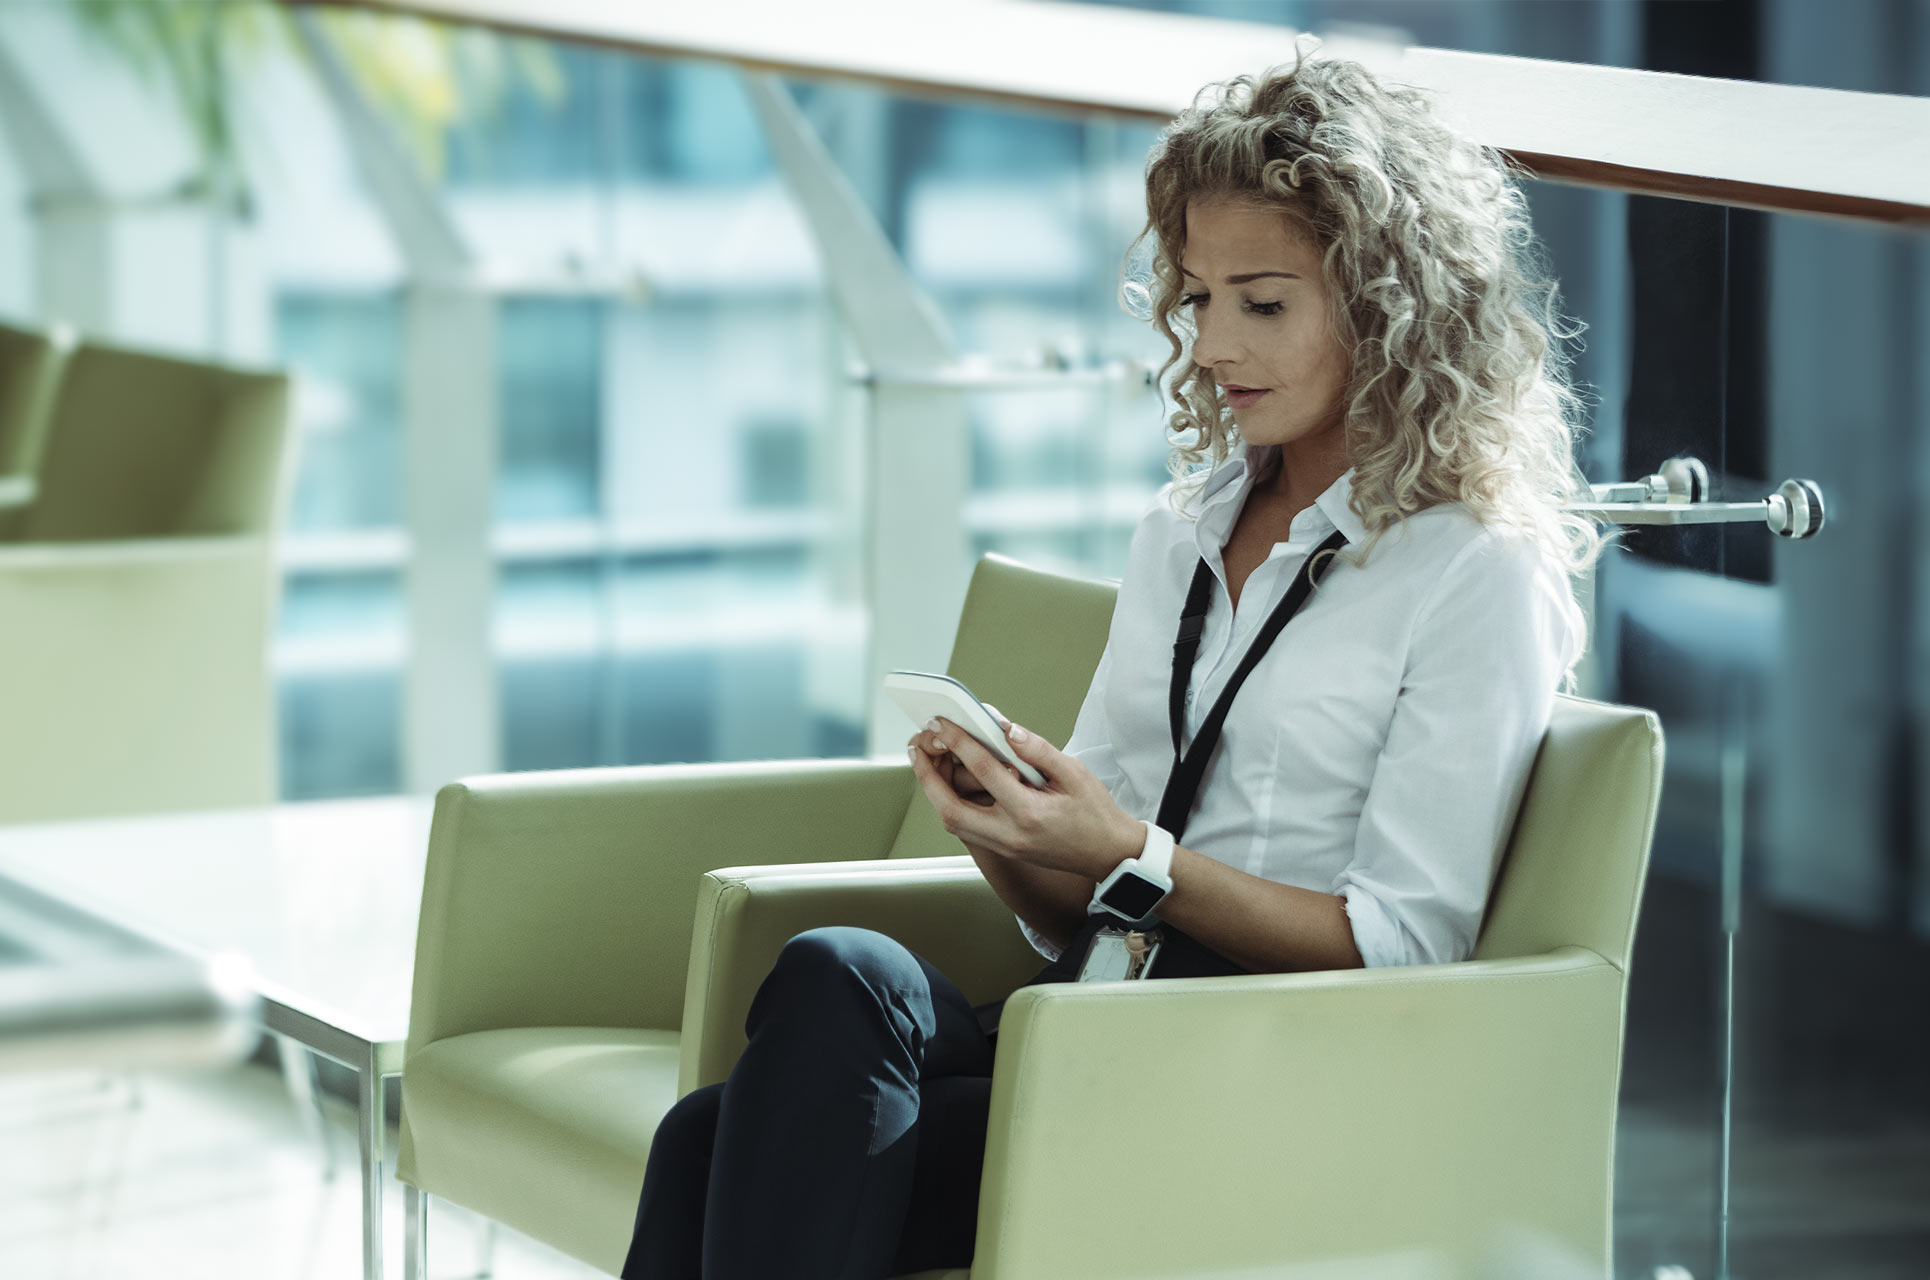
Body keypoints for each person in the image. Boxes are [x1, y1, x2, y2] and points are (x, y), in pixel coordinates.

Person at [620, 49, 1604, 1280]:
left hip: (1249, 1071)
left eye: (1262, 303)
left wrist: (1130, 852)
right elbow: (1081, 906)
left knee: (711, 1139)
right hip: (1089, 1024)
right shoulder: (1181, 530)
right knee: (828, 981)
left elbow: (1404, 946)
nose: (1215, 345)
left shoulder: (1470, 570)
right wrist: (1009, 828)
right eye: (1197, 299)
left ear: (1388, 305)